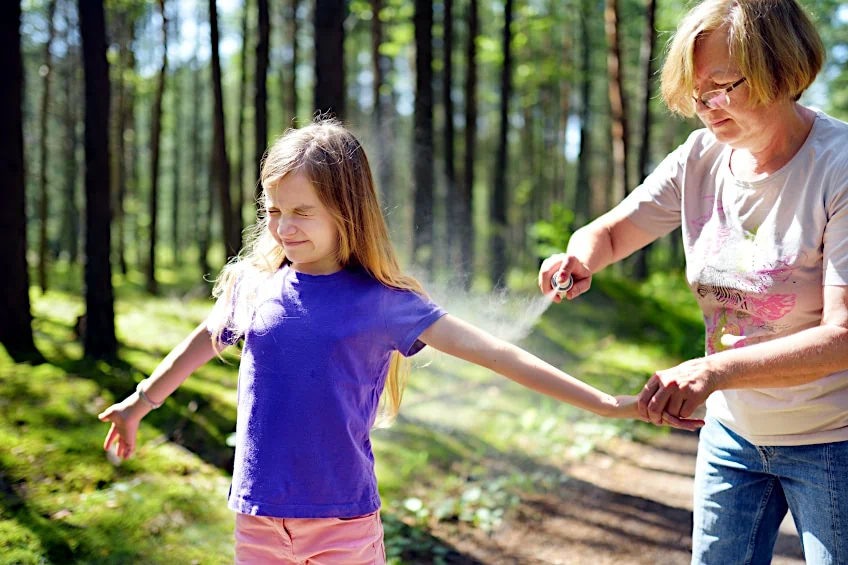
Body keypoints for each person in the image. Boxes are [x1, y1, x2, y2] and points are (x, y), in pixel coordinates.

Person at [97, 119, 699, 565]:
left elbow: (498, 354)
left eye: (302, 211)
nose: (284, 226)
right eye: (275, 209)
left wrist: (606, 403)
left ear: (347, 211)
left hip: (343, 528)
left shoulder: (384, 303)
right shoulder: (253, 288)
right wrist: (139, 403)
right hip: (255, 521)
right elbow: (205, 338)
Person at [539, 0, 848, 562]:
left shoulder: (839, 167)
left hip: (834, 438)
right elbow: (608, 235)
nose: (704, 107)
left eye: (720, 85)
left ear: (781, 67)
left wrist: (712, 371)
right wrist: (577, 258)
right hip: (731, 435)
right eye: (694, 91)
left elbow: (843, 336)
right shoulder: (702, 156)